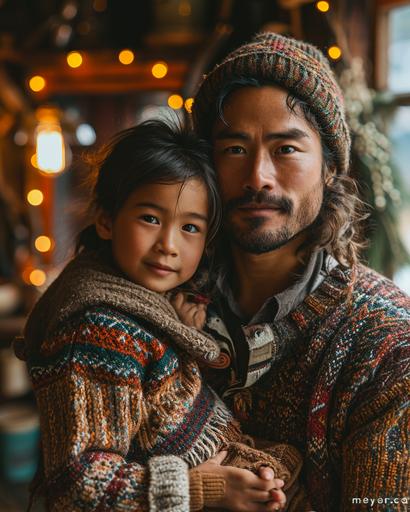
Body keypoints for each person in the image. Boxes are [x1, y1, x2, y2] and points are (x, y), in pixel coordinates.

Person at [16, 119, 306, 512]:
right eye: (150, 218)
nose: (169, 244)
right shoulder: (98, 332)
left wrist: (179, 330)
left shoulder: (142, 309)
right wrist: (201, 488)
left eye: (190, 227)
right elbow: (78, 487)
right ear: (106, 220)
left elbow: (152, 404)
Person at [187, 32, 410, 511]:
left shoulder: (388, 343)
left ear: (330, 167)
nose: (257, 177)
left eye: (286, 149)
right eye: (234, 149)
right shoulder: (158, 302)